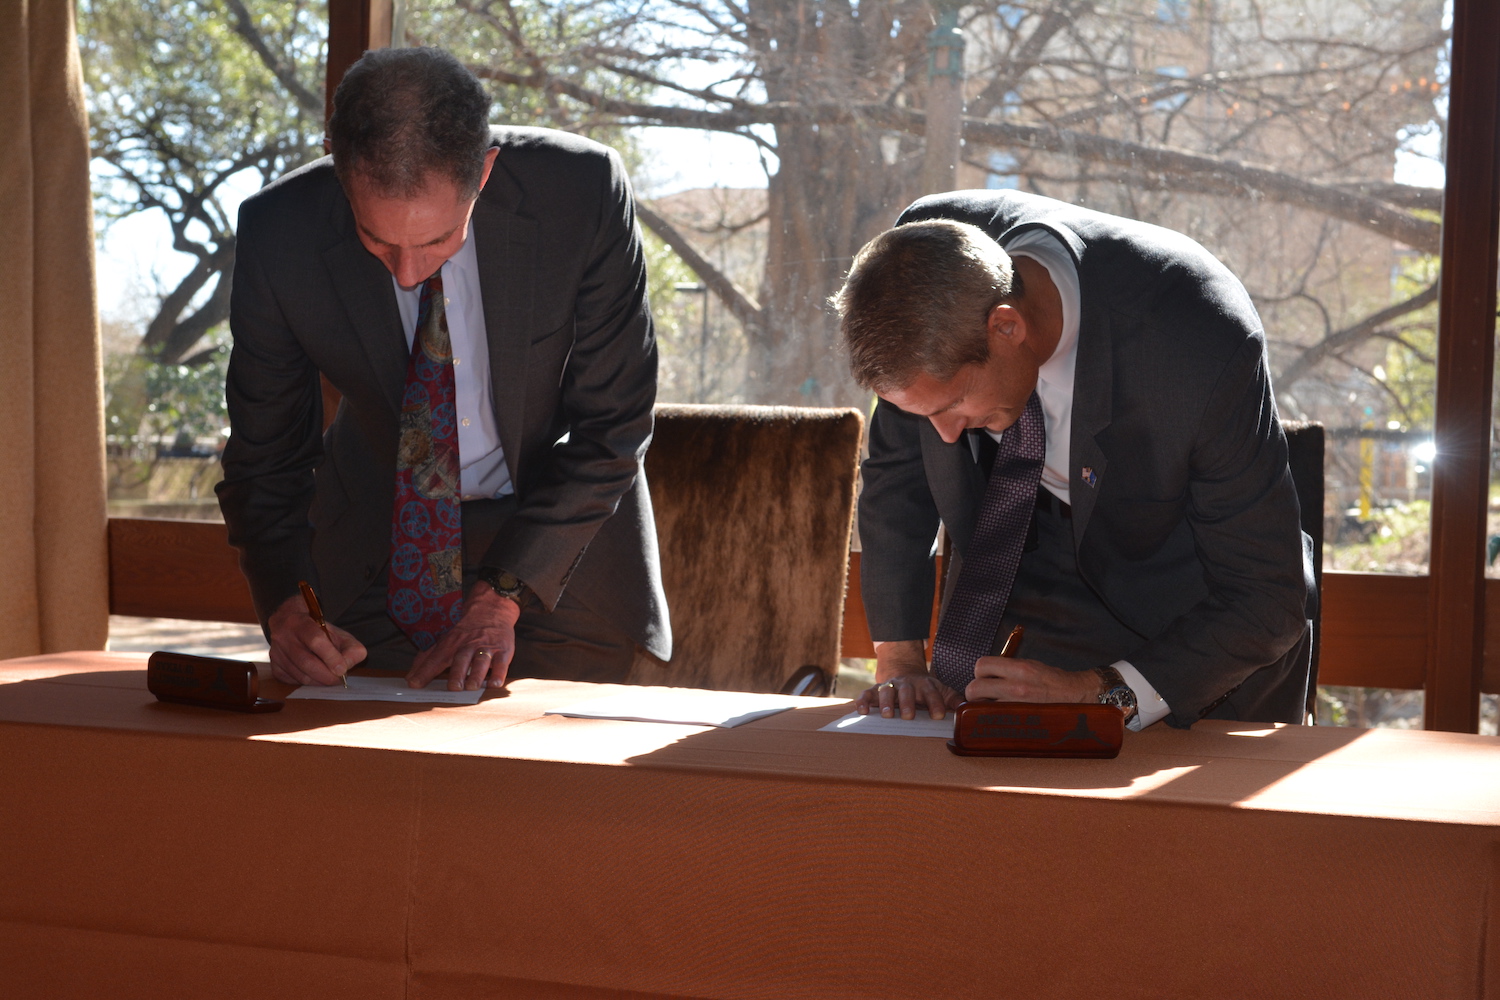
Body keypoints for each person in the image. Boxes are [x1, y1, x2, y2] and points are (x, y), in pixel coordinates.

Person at [217, 47, 668, 691]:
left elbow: (614, 426)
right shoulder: (279, 231)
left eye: (435, 241)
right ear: (341, 175)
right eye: (377, 241)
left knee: (549, 779)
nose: (407, 273)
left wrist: (500, 595)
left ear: (483, 174)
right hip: (376, 558)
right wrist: (287, 607)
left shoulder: (582, 191)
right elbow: (266, 458)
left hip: (560, 557)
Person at [837, 189, 1314, 729]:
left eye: (951, 406)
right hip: (1014, 558)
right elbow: (899, 474)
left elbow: (1266, 598)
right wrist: (901, 660)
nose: (942, 435)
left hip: (1189, 613)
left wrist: (1104, 692)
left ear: (1007, 327)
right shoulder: (919, 264)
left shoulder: (1199, 340)